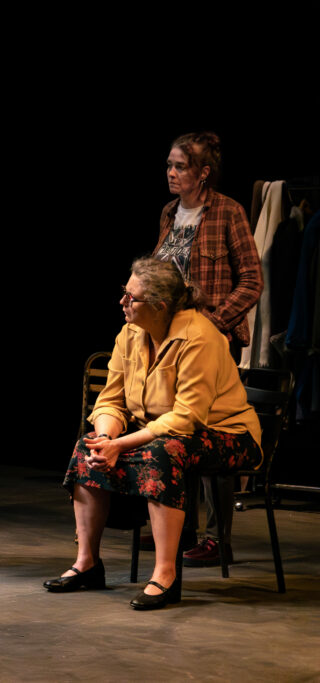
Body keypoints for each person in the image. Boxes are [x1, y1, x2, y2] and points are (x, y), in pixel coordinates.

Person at [45, 258, 262, 610]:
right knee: (87, 446)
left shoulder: (200, 337)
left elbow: (187, 418)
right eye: (124, 292)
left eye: (131, 297)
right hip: (160, 432)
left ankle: (165, 575)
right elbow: (111, 400)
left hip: (228, 434)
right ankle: (87, 563)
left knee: (163, 452)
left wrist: (120, 445)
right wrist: (106, 440)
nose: (122, 302)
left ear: (160, 306)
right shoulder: (130, 334)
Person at [155, 132, 263, 567]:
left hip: (212, 345)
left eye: (180, 166)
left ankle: (218, 540)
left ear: (203, 172)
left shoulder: (228, 212)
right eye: (169, 164)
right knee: (174, 432)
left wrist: (214, 325)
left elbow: (252, 280)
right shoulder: (169, 213)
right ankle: (178, 531)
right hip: (170, 343)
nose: (171, 173)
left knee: (211, 434)